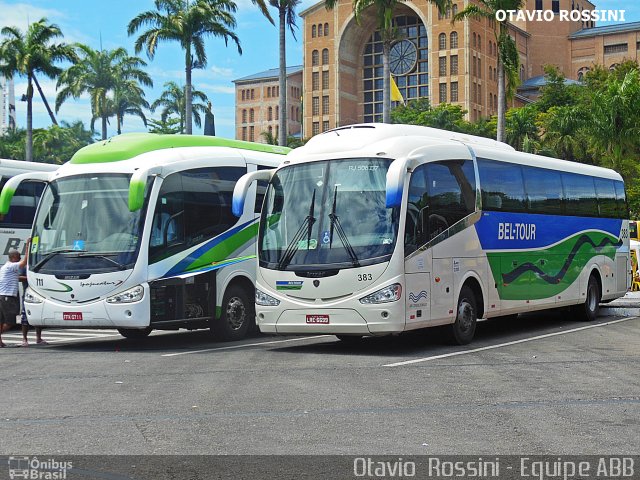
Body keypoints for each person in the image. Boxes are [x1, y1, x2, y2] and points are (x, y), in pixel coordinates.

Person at [0, 240, 30, 348]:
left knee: (1, 320)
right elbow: (24, 263)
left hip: (2, 296)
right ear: (13, 258)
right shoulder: (11, 266)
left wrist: (27, 278)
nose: (20, 258)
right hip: (8, 297)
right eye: (18, 257)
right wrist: (27, 248)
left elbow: (16, 278)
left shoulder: (5, 267)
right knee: (10, 322)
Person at [19, 265, 47, 347]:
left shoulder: (39, 266)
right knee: (25, 318)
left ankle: (38, 338)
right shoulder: (25, 267)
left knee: (37, 316)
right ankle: (24, 339)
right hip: (28, 294)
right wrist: (30, 278)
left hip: (38, 294)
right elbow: (19, 277)